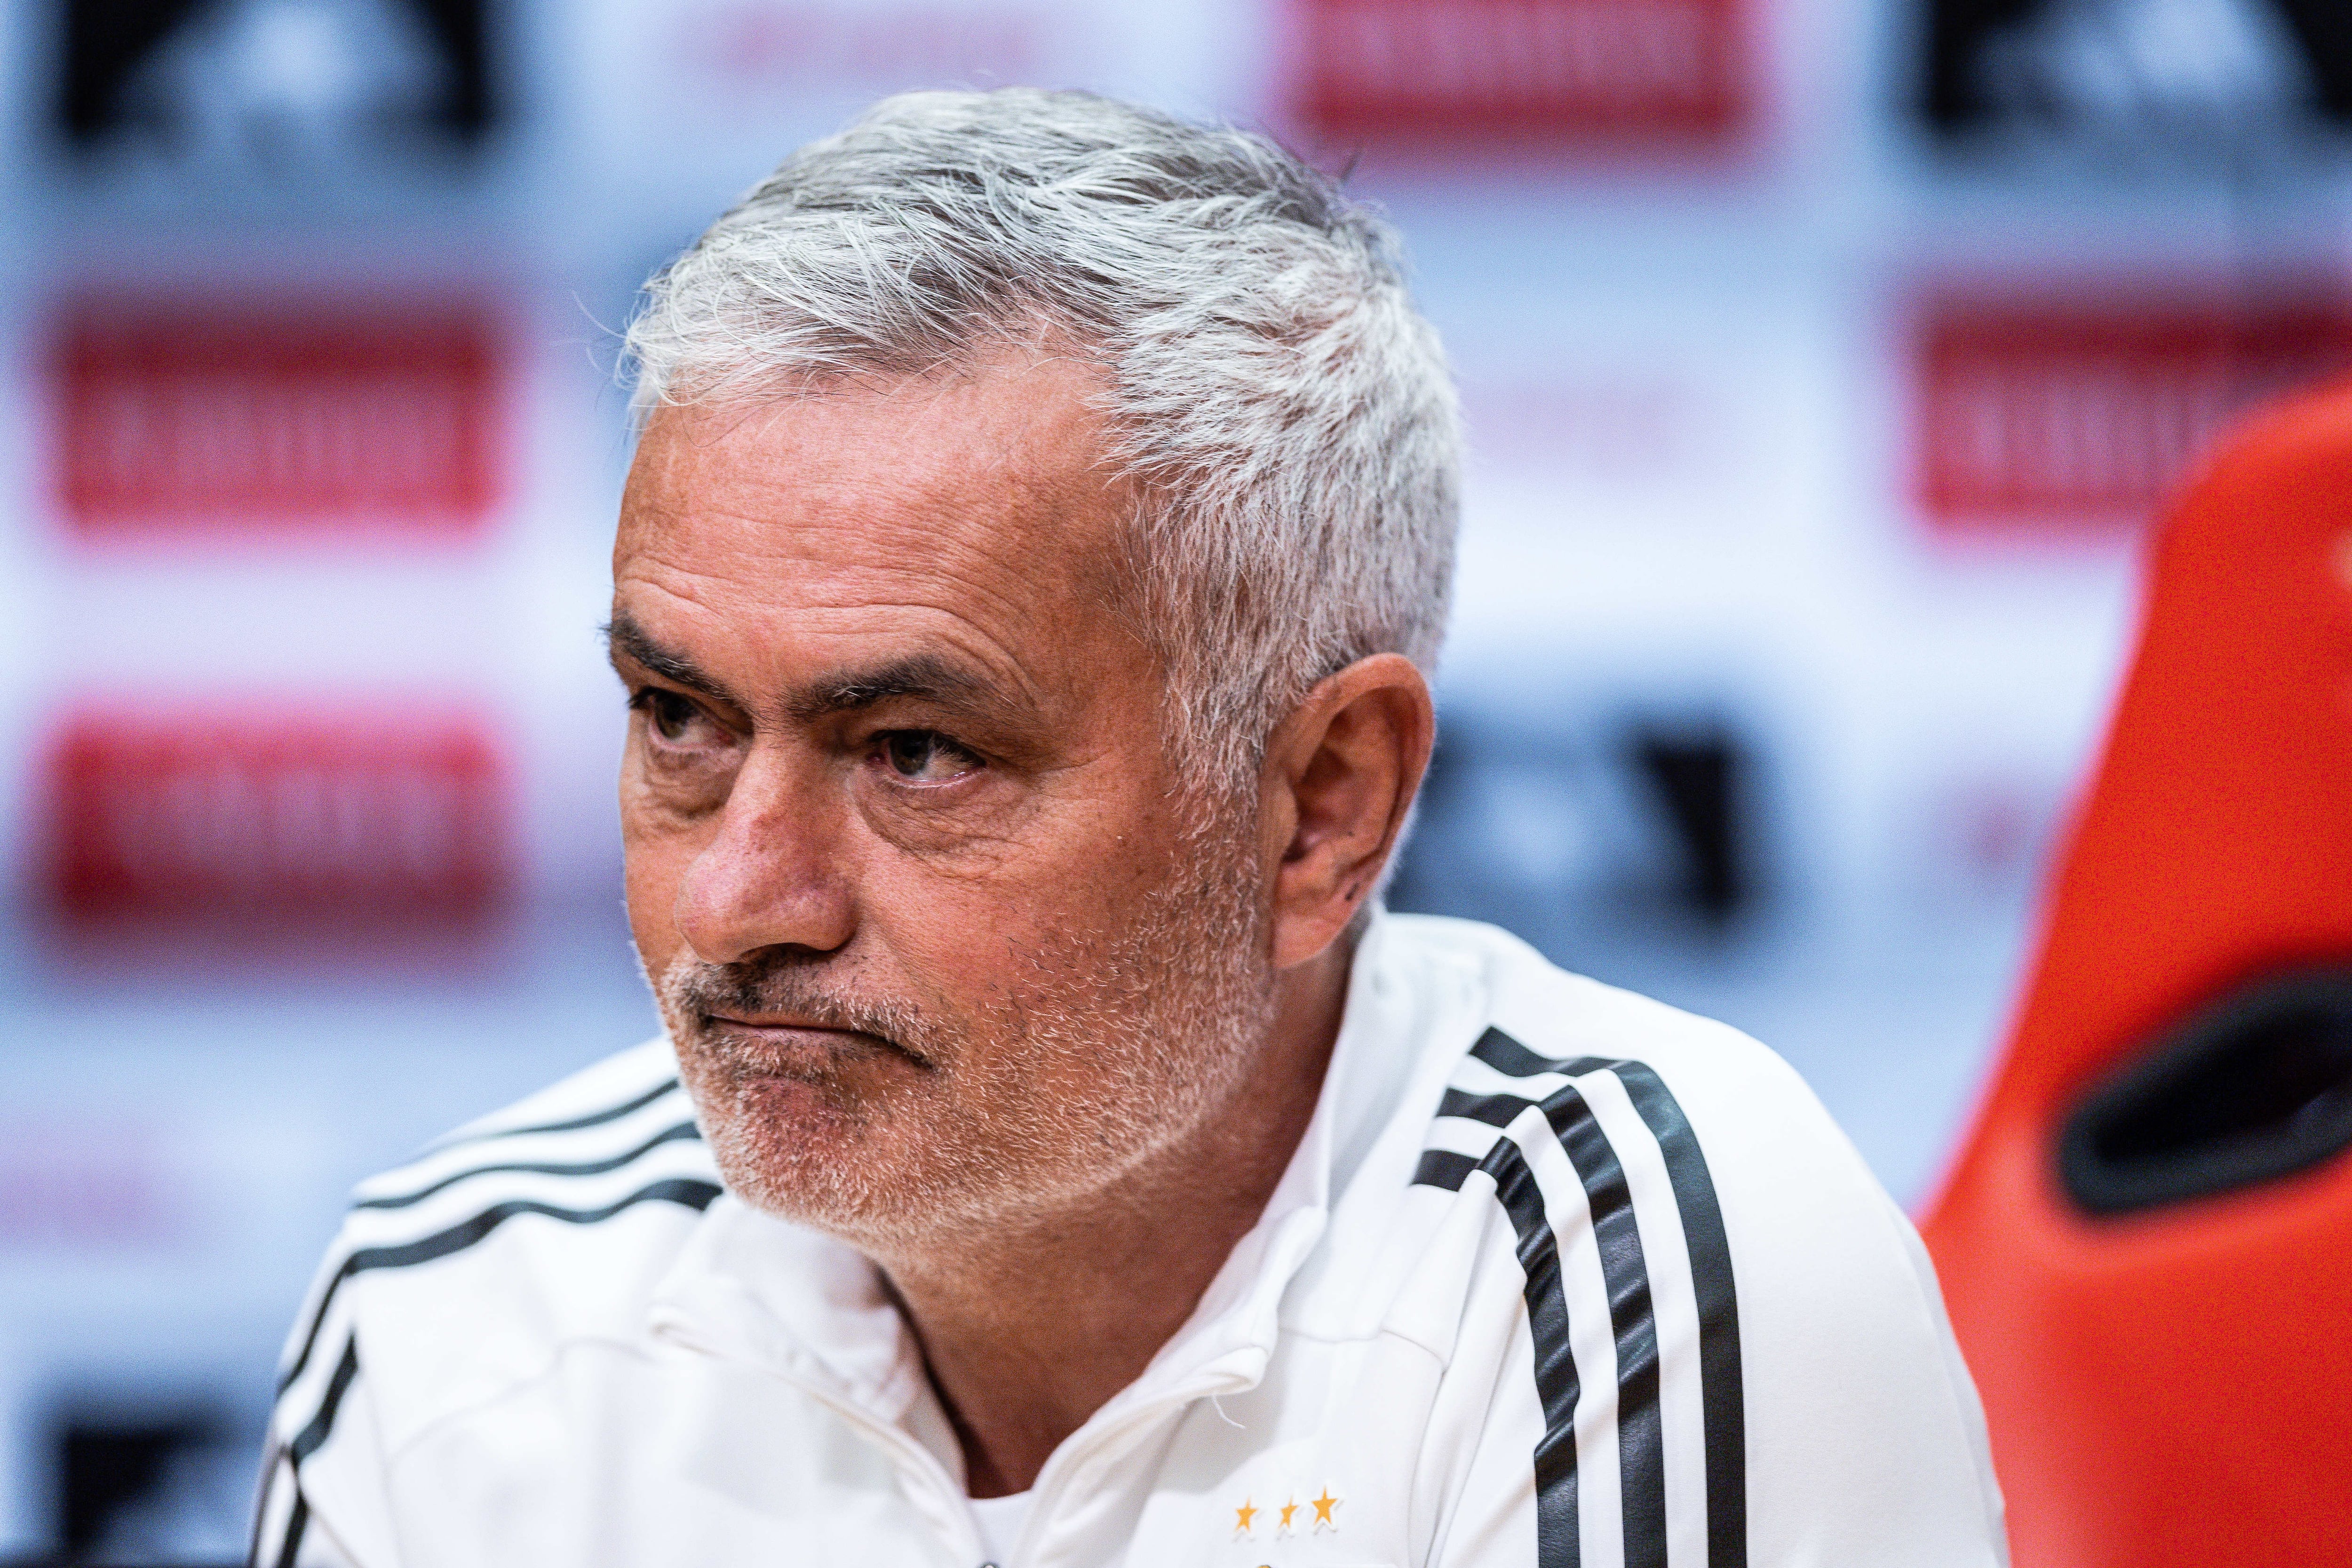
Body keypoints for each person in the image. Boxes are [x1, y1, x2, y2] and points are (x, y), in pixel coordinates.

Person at [253, 88, 2008, 1568]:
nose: (740, 899)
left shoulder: (1627, 1268)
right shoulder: (464, 1312)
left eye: (918, 753)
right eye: (682, 722)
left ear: (1323, 810)